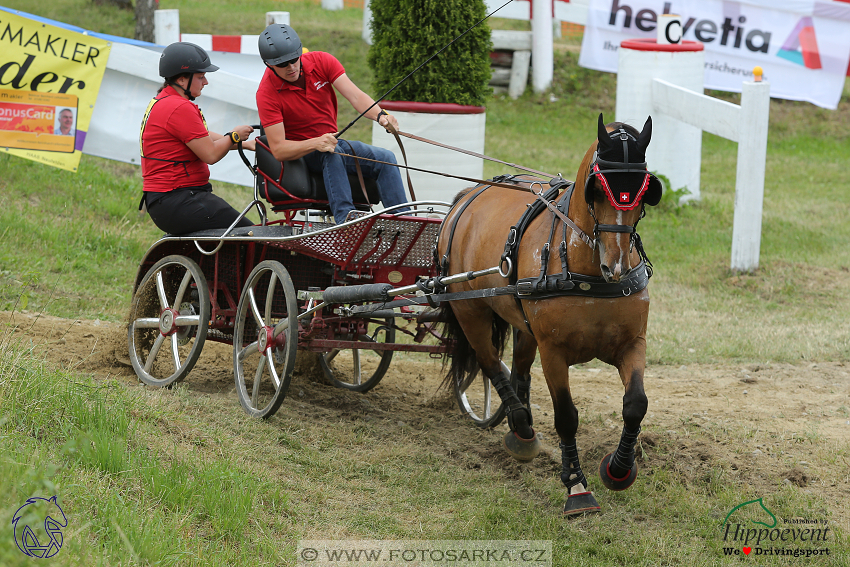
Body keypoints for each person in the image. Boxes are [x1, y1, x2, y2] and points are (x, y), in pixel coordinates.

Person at [255, 23, 410, 224]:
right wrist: (315, 143)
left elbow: (356, 96)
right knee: (330, 153)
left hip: (332, 143)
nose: (291, 67)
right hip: (303, 154)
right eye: (283, 65)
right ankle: (346, 220)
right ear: (269, 65)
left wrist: (381, 116)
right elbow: (278, 150)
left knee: (386, 159)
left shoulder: (322, 61)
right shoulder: (266, 94)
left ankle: (404, 223)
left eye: (294, 59)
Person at [139, 42, 256, 235]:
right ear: (183, 80)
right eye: (201, 76)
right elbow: (210, 154)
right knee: (251, 233)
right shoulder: (179, 107)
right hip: (178, 199)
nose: (206, 82)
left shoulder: (164, 100)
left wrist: (245, 144)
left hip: (166, 201)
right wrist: (233, 135)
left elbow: (200, 137)